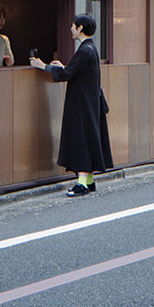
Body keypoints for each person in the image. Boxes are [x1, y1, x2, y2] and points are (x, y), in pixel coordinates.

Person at [29, 13, 112, 196]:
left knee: (80, 139)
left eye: (73, 25)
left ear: (80, 28)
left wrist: (43, 66)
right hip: (89, 103)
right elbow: (74, 71)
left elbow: (68, 74)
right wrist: (62, 66)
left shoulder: (84, 50)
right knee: (88, 138)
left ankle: (82, 184)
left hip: (82, 104)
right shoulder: (91, 48)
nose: (71, 29)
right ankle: (88, 181)